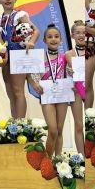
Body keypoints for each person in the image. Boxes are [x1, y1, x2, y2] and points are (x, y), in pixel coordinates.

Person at [0, 0, 39, 118]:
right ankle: (15, 123)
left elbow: (35, 31)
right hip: (6, 59)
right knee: (11, 93)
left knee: (18, 91)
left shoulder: (19, 15)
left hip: (19, 56)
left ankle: (21, 124)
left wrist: (31, 42)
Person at [27, 24, 69, 157]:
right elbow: (27, 73)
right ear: (44, 40)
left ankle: (58, 159)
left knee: (60, 130)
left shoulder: (65, 57)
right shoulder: (40, 57)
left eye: (56, 37)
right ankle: (47, 159)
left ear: (61, 40)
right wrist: (34, 84)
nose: (53, 39)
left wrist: (72, 73)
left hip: (62, 95)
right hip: (47, 96)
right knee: (53, 130)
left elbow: (71, 75)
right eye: (50, 37)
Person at [66, 20, 85, 153]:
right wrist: (68, 72)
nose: (81, 35)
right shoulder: (68, 54)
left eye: (84, 32)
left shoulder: (92, 51)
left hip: (89, 90)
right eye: (77, 32)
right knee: (79, 125)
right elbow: (62, 72)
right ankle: (81, 156)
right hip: (76, 90)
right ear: (72, 35)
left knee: (92, 123)